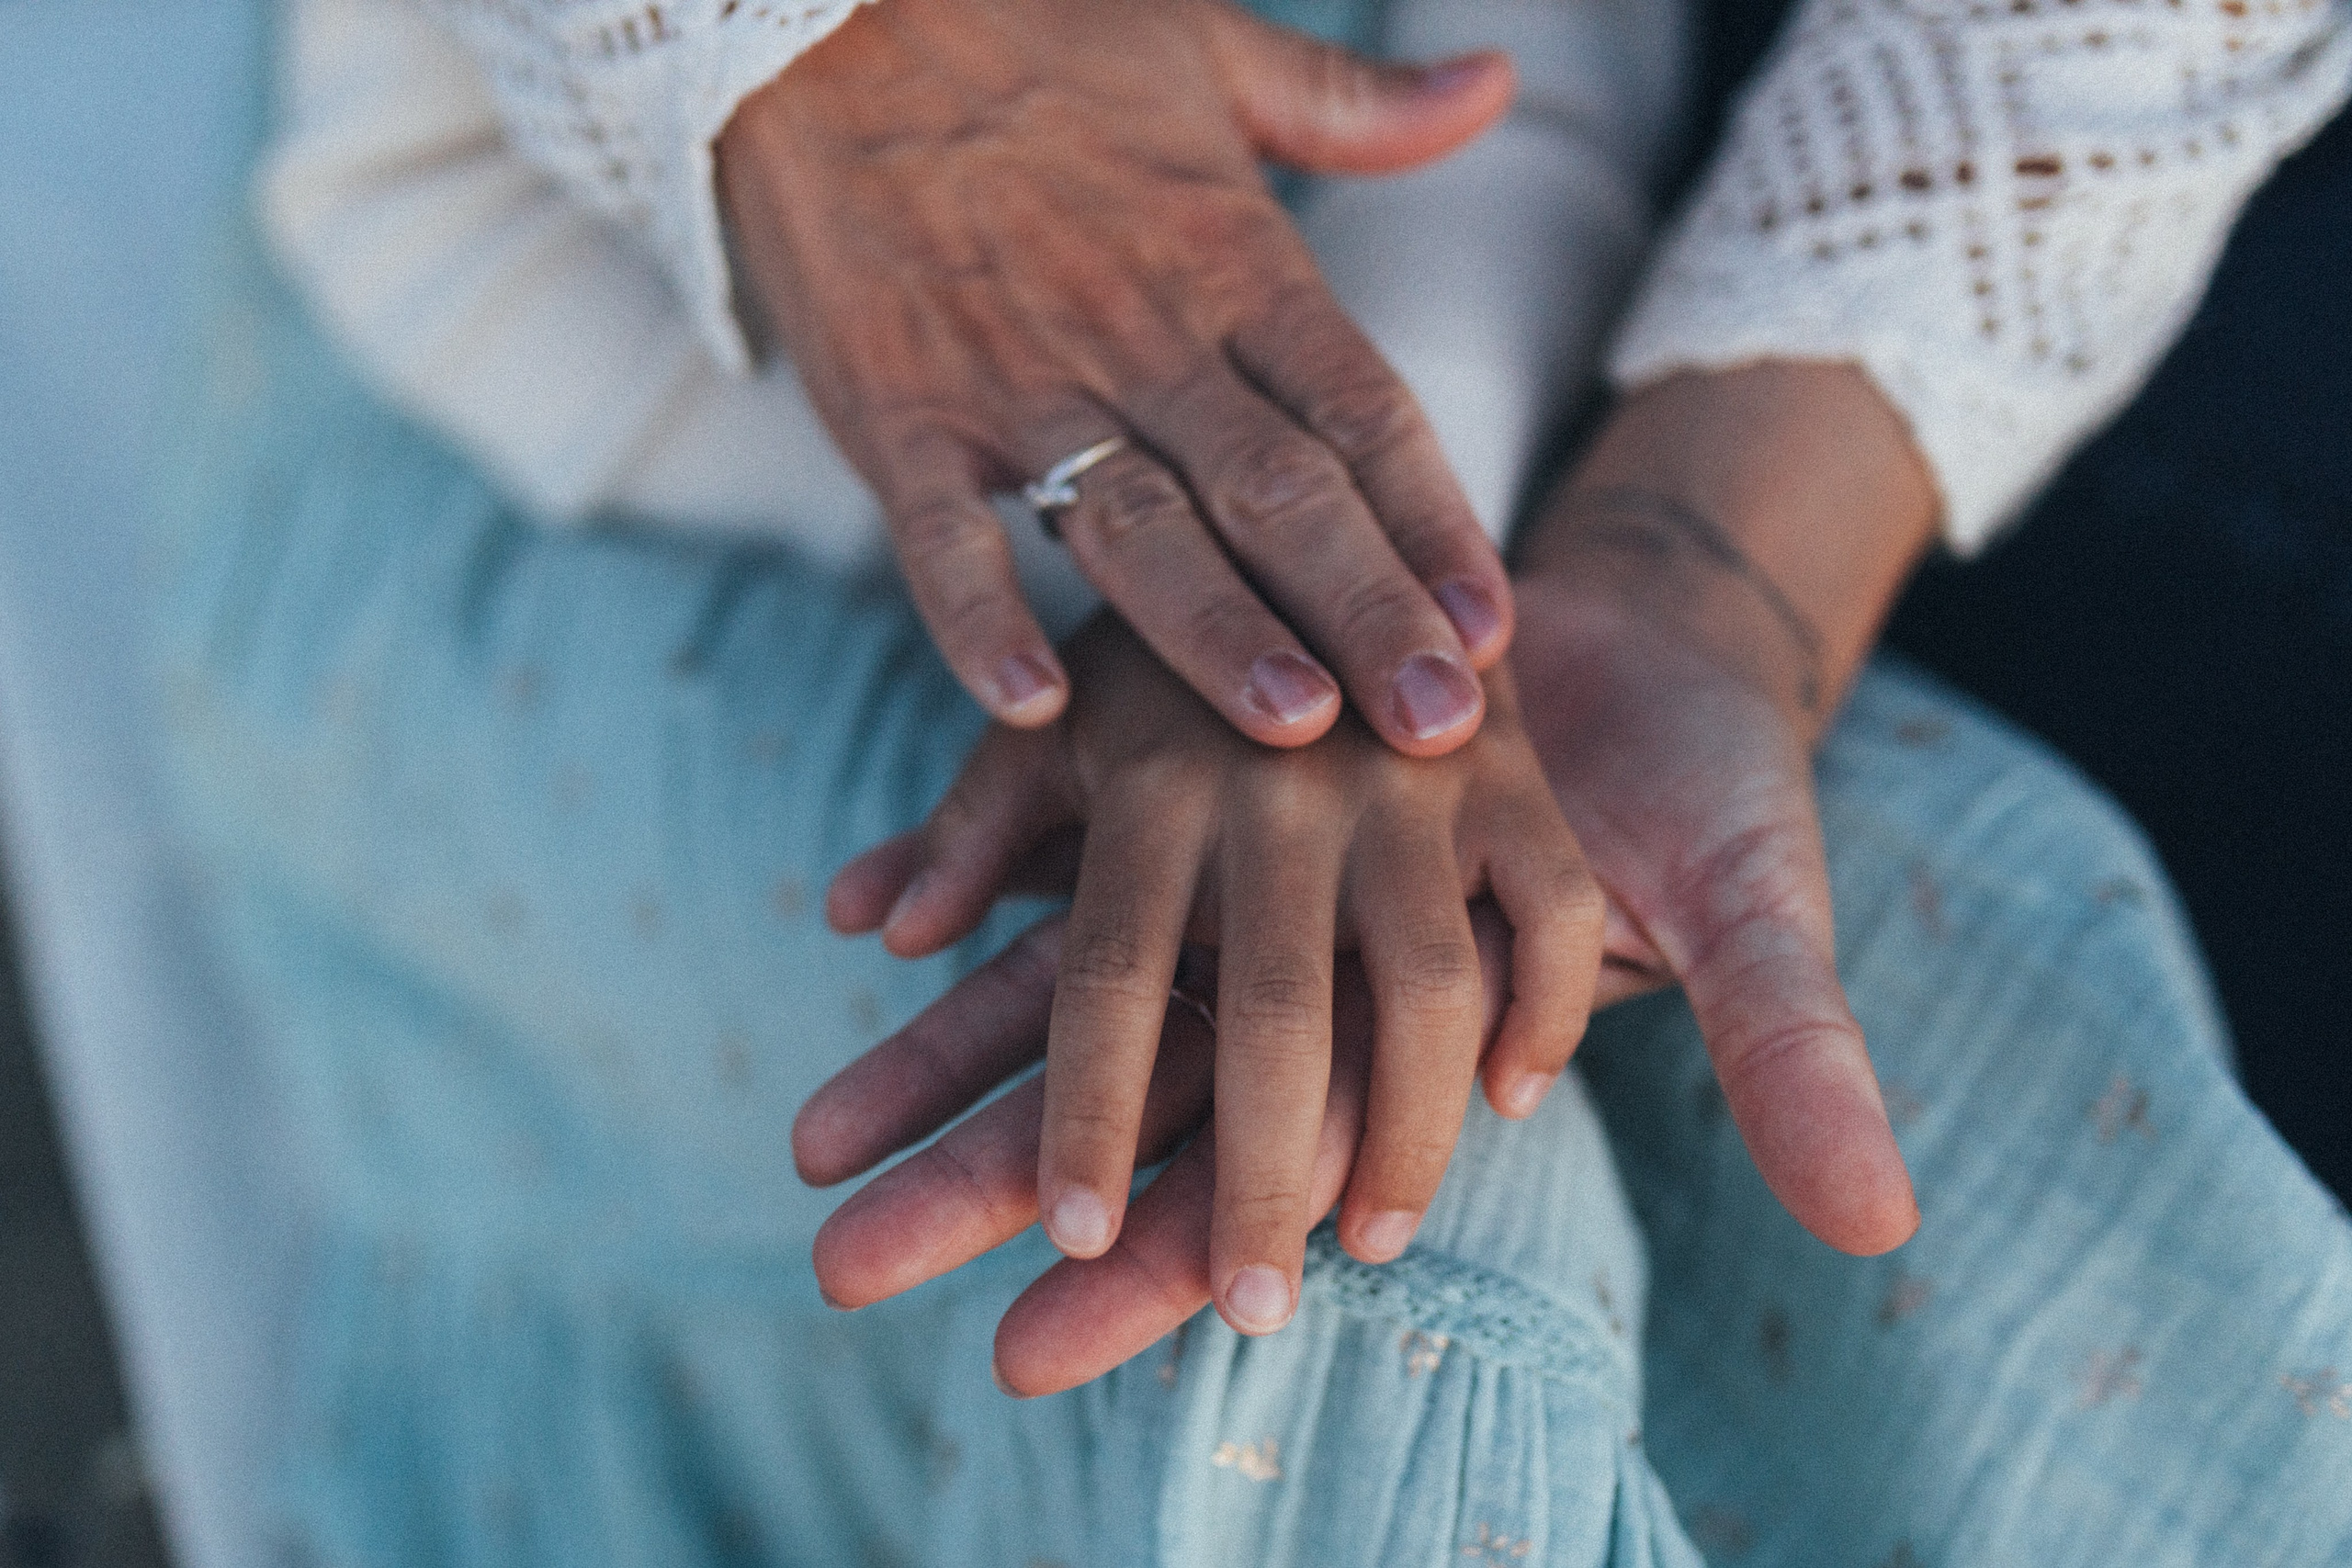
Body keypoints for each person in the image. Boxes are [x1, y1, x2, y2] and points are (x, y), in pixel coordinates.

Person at [149, 0, 2352, 1561]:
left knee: (1829, 982)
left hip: (1412, 362)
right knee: (1329, 1197)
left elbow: (1507, 85)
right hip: (567, 423)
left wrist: (1601, 583)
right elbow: (449, 207)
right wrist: (846, 85)